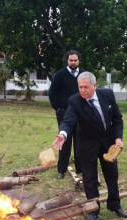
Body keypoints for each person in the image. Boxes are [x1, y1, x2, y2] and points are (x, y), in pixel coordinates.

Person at [52, 72, 127, 220]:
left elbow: (117, 119)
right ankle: (93, 209)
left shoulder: (107, 95)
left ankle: (114, 205)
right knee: (89, 179)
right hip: (87, 144)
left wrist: (118, 138)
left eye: (85, 87)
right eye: (80, 87)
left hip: (108, 144)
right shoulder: (74, 101)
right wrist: (63, 134)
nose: (82, 90)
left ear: (94, 85)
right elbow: (68, 121)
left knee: (112, 175)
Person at [48, 50, 84, 179]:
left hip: (81, 113)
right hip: (64, 112)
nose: (73, 62)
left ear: (79, 60)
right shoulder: (60, 75)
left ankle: (80, 168)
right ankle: (61, 170)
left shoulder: (84, 74)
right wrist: (58, 108)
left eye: (75, 60)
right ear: (67, 61)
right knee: (64, 140)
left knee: (80, 141)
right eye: (71, 60)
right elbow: (52, 93)